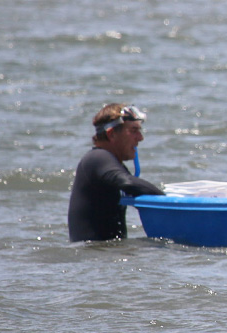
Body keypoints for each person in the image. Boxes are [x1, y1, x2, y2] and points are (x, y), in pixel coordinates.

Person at [68, 103, 166, 242]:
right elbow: (127, 182)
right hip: (95, 256)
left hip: (105, 254)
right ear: (112, 134)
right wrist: (168, 201)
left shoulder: (113, 164)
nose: (140, 137)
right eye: (133, 131)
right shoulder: (98, 159)